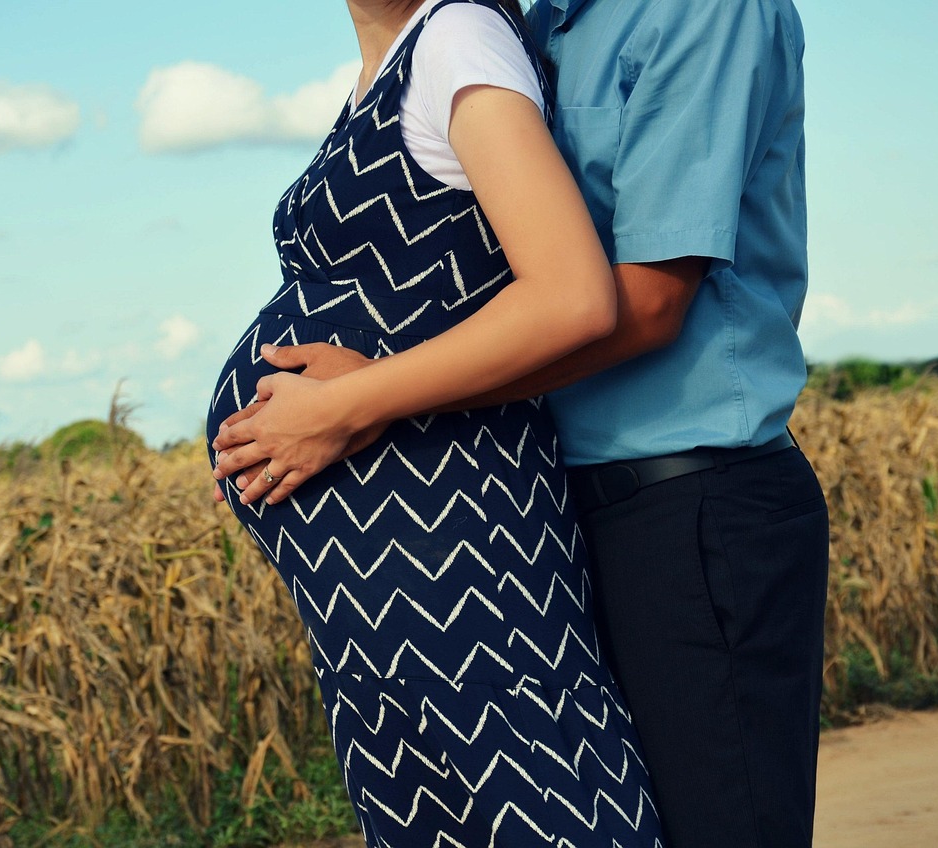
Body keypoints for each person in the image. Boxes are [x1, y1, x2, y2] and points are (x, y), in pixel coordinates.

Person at [213, 0, 829, 846]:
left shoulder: (700, 9)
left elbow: (644, 305)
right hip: (560, 509)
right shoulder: (545, 26)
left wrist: (362, 400)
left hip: (689, 500)